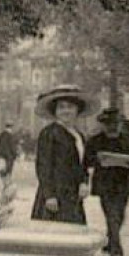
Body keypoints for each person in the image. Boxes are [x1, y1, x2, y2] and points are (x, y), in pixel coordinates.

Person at [86, 108, 129, 256]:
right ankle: (116, 250)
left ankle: (110, 241)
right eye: (109, 123)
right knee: (111, 214)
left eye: (116, 123)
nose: (113, 126)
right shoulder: (95, 140)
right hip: (105, 183)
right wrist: (98, 159)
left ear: (121, 124)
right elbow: (86, 160)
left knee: (120, 214)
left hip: (124, 182)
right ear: (103, 124)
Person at [32, 85, 89, 224]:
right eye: (61, 107)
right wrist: (49, 195)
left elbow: (82, 164)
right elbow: (43, 166)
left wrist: (83, 182)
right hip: (55, 194)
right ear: (55, 111)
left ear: (77, 110)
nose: (66, 111)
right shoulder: (49, 133)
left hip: (73, 194)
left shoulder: (78, 134)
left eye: (70, 107)